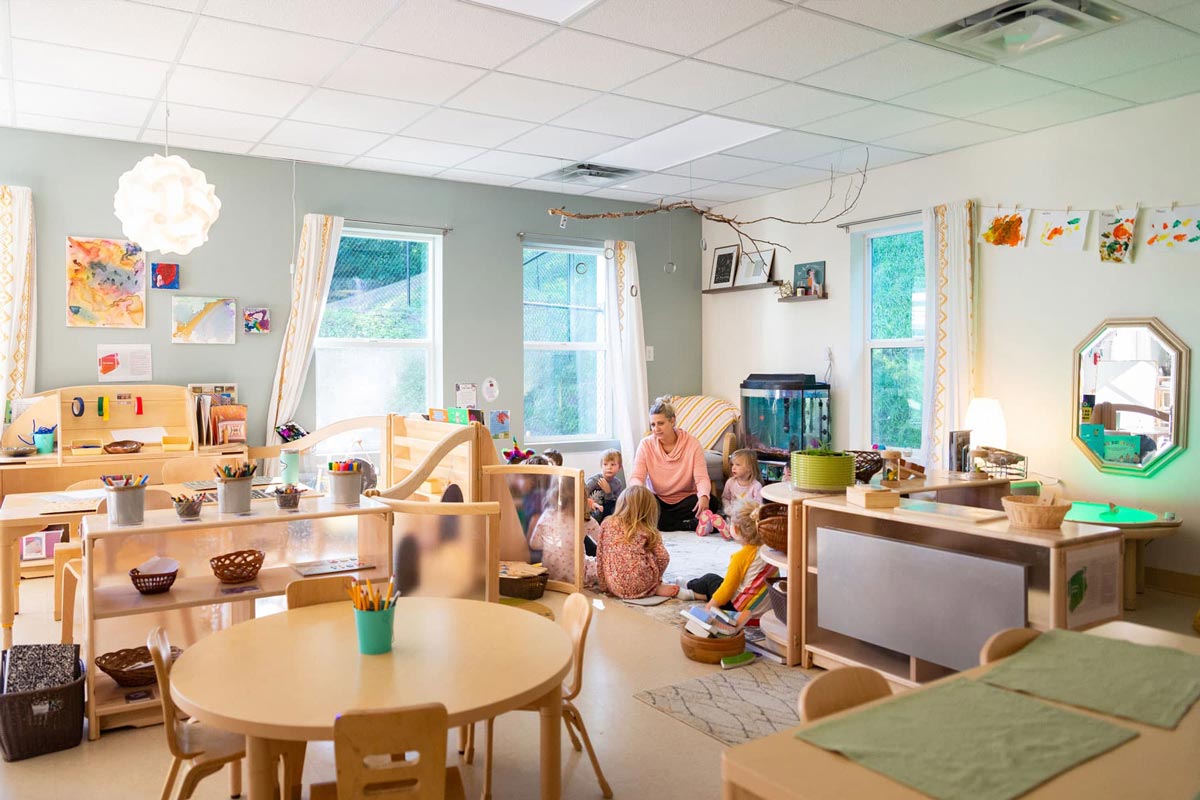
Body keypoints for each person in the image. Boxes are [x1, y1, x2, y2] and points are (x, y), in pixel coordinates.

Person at [629, 395, 713, 531]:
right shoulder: (645, 445)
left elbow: (702, 478)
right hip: (658, 500)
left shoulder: (692, 444)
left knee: (711, 502)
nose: (656, 429)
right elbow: (637, 478)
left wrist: (703, 496)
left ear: (672, 421)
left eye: (660, 423)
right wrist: (640, 495)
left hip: (685, 500)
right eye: (653, 424)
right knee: (644, 509)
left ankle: (669, 522)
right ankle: (689, 524)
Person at [674, 501, 776, 610]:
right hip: (765, 608)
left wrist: (708, 609)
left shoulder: (740, 557)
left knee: (711, 579)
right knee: (726, 583)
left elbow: (726, 590)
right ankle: (692, 595)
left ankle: (690, 585)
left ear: (736, 529)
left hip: (741, 608)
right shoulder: (770, 549)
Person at [596, 486, 677, 599]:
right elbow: (663, 558)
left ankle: (650, 586)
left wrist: (604, 585)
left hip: (613, 585)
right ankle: (654, 588)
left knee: (610, 553)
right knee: (649, 553)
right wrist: (657, 580)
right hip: (642, 583)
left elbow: (600, 556)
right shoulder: (648, 530)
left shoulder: (606, 523)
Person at [529, 478, 599, 588]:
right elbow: (603, 543)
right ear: (583, 496)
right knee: (595, 564)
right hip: (576, 577)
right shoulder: (585, 519)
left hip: (551, 576)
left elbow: (534, 544)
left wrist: (553, 544)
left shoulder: (547, 515)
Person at [698, 449, 763, 538]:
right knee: (719, 517)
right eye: (732, 464)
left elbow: (758, 505)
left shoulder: (756, 486)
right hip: (731, 514)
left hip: (747, 517)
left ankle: (729, 531)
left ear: (749, 467)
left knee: (747, 527)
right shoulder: (730, 482)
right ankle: (708, 526)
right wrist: (728, 508)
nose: (733, 468)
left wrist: (747, 513)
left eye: (738, 465)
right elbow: (725, 498)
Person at [586, 448, 624, 525]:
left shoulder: (617, 484)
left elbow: (618, 505)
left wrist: (608, 492)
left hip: (606, 517)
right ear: (601, 466)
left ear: (619, 467)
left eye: (612, 464)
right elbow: (583, 493)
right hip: (591, 515)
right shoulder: (595, 480)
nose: (609, 467)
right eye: (605, 464)